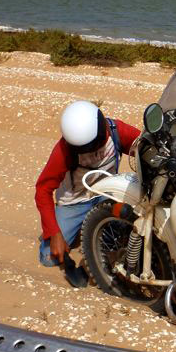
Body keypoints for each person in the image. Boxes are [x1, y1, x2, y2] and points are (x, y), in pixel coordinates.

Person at [35, 100, 140, 287]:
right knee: (48, 257)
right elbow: (43, 190)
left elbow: (144, 147)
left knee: (122, 238)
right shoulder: (64, 151)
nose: (91, 151)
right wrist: (54, 234)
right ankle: (79, 226)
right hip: (75, 201)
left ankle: (96, 228)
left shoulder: (116, 131)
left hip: (107, 193)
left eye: (93, 145)